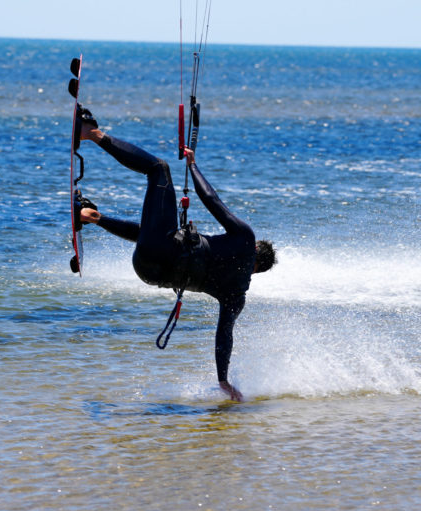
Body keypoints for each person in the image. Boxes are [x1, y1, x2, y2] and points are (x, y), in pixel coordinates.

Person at [73, 107, 276, 401]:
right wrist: (223, 380)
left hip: (158, 249)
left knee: (159, 168)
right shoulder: (237, 294)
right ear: (257, 270)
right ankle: (91, 218)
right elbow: (224, 337)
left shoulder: (245, 238)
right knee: (158, 234)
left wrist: (193, 166)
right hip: (148, 270)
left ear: (257, 250)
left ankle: (91, 133)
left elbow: (211, 199)